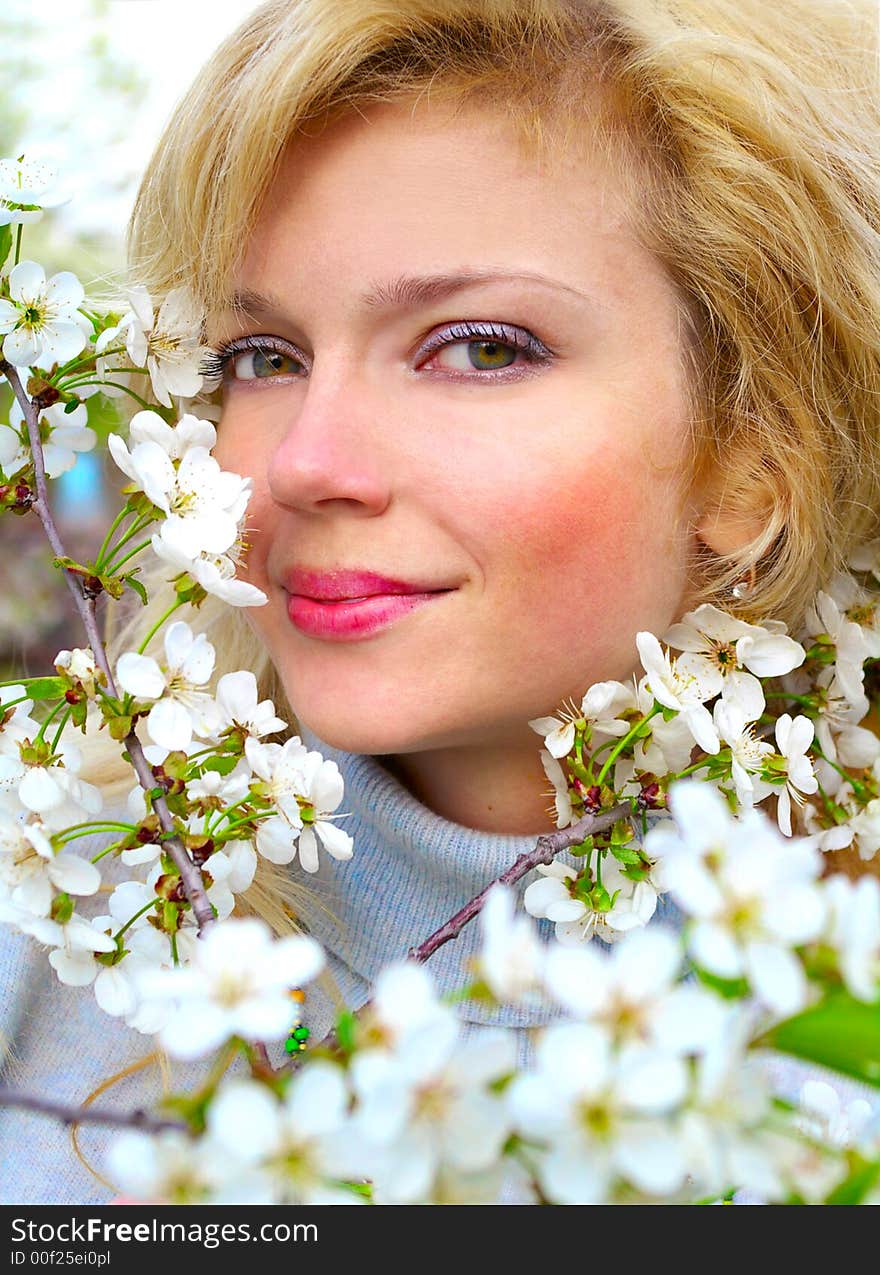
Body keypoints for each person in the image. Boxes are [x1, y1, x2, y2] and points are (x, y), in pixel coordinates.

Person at [2, 0, 880, 1205]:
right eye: (260, 358)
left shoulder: (836, 1024)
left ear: (756, 450)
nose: (305, 463)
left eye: (476, 348)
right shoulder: (52, 910)